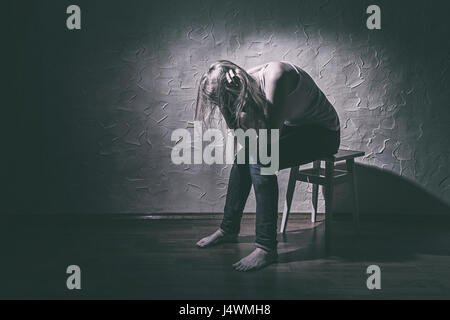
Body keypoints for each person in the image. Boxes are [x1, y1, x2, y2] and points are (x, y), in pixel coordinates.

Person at [194, 60, 340, 271]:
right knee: (244, 156)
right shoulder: (244, 85)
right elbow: (244, 139)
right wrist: (228, 109)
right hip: (297, 128)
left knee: (262, 159)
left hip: (324, 133)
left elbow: (269, 138)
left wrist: (238, 106)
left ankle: (266, 248)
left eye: (226, 101)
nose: (225, 106)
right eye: (221, 104)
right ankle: (228, 229)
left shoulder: (275, 76)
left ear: (235, 87)